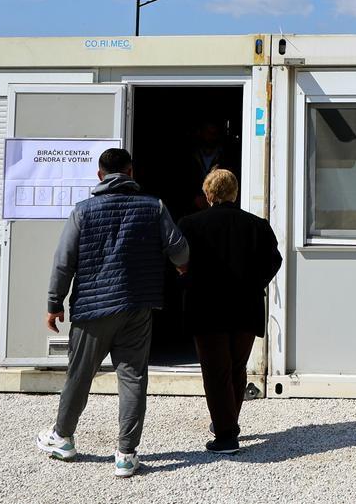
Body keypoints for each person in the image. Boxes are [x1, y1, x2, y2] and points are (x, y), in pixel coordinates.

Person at [35, 147, 189, 478]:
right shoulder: (154, 207)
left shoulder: (83, 211)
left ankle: (62, 437)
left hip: (92, 309)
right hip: (137, 306)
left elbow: (64, 262)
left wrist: (53, 303)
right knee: (132, 377)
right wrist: (181, 266)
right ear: (132, 172)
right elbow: (179, 248)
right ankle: (126, 454)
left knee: (80, 374)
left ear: (99, 175)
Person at [178, 168, 282, 454]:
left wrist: (187, 280)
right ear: (234, 193)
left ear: (208, 194)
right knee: (236, 368)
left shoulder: (189, 224)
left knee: (215, 371)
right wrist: (255, 282)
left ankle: (225, 435)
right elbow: (274, 260)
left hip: (206, 307)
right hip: (245, 306)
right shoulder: (257, 225)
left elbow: (177, 261)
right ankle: (228, 422)